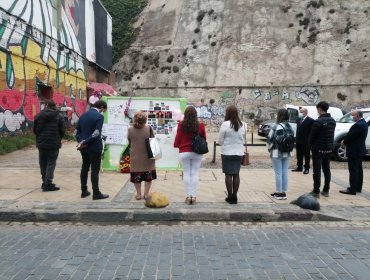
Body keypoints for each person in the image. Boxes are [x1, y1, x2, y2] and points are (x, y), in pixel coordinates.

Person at [75, 100, 109, 200]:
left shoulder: (83, 115)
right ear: (102, 107)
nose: (103, 112)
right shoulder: (99, 116)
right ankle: (96, 193)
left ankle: (84, 191)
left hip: (83, 148)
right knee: (95, 170)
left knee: (84, 168)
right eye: (104, 110)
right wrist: (86, 141)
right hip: (94, 147)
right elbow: (96, 133)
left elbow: (76, 132)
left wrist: (81, 142)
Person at [174, 106, 206, 205]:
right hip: (197, 152)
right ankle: (194, 197)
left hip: (184, 152)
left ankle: (188, 197)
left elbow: (178, 138)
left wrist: (176, 145)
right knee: (195, 173)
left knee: (187, 173)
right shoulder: (200, 125)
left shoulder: (181, 125)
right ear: (195, 115)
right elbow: (204, 138)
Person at [33, 100, 65, 192]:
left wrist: (40, 138)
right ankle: (48, 184)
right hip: (54, 144)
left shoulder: (38, 116)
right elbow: (62, 130)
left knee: (43, 164)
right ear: (54, 106)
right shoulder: (59, 116)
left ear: (46, 105)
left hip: (41, 144)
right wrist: (58, 138)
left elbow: (35, 130)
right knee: (51, 163)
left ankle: (44, 182)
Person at [218, 105, 246, 204]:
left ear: (228, 113)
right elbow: (244, 139)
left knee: (228, 174)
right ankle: (235, 196)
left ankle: (230, 196)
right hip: (239, 152)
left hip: (227, 152)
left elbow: (220, 140)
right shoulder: (243, 124)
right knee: (236, 174)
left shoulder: (225, 124)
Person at [308, 101, 336, 198]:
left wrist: (309, 146)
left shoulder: (318, 121)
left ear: (320, 109)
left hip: (318, 149)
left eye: (317, 109)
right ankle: (326, 190)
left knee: (317, 171)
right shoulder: (332, 120)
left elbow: (312, 137)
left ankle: (316, 191)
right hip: (328, 149)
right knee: (327, 170)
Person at [128, 111, 157, 200]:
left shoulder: (130, 129)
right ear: (145, 120)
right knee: (148, 178)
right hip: (148, 156)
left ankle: (138, 194)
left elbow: (129, 141)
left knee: (137, 177)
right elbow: (153, 140)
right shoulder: (148, 128)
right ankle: (146, 194)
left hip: (135, 157)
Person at [339, 110, 368, 195]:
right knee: (359, 169)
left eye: (354, 116)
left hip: (354, 150)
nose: (353, 117)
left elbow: (350, 136)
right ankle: (358, 187)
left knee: (353, 170)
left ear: (358, 116)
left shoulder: (358, 125)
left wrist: (344, 142)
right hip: (359, 149)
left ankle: (352, 189)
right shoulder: (364, 123)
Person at [267, 109, 293, 200]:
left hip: (276, 152)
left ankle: (279, 193)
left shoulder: (276, 126)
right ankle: (283, 192)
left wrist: (269, 149)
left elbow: (270, 139)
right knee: (284, 172)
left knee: (278, 173)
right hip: (287, 152)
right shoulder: (289, 126)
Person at [292, 107, 314, 174]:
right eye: (300, 112)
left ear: (305, 112)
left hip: (306, 141)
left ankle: (307, 168)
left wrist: (310, 140)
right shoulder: (298, 119)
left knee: (306, 155)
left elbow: (311, 131)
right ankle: (299, 167)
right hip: (298, 140)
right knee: (299, 155)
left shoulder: (311, 120)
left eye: (301, 112)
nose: (300, 113)